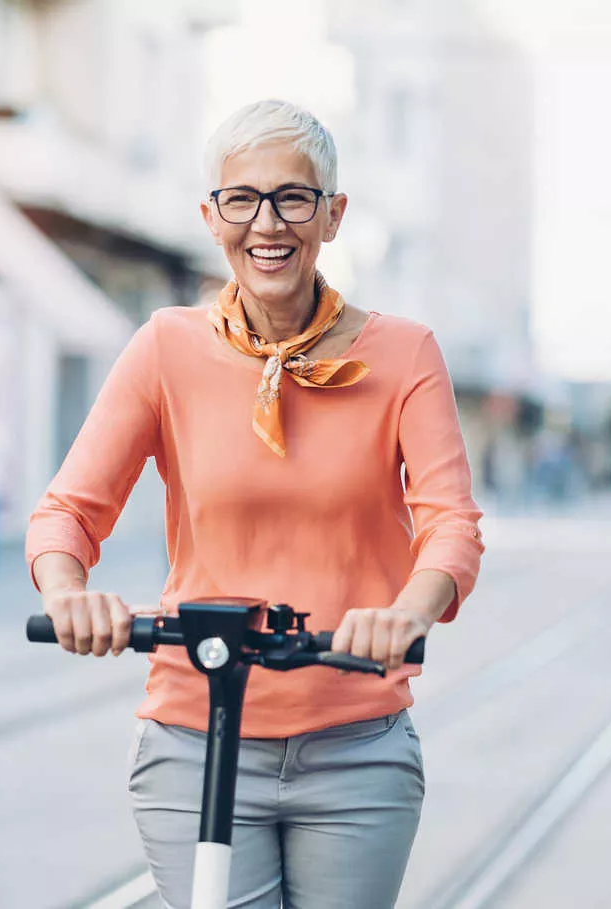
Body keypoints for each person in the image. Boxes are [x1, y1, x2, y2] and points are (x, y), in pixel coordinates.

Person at [26, 99, 484, 909]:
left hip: (356, 745)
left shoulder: (405, 352)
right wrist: (68, 596)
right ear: (212, 216)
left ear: (332, 215)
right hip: (195, 738)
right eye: (241, 199)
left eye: (293, 197)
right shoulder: (166, 347)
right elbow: (67, 512)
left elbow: (450, 526)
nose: (266, 223)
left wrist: (407, 613)